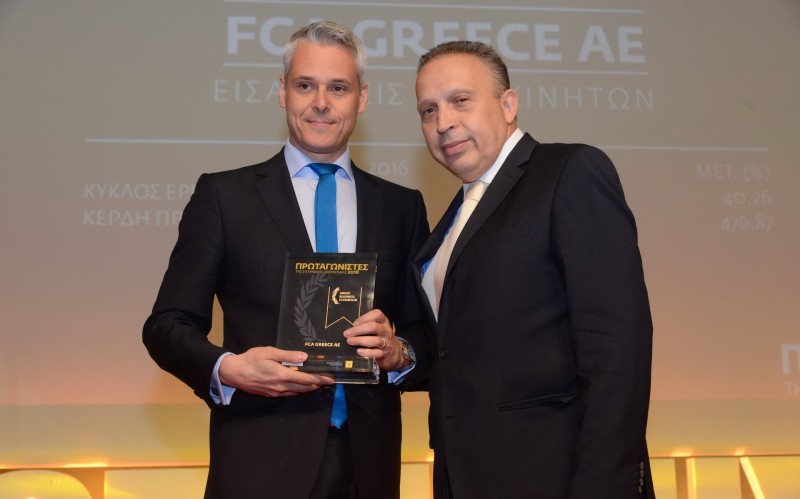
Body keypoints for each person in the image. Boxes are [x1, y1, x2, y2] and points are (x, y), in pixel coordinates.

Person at [143, 21, 428, 499]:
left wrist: (400, 352)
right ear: (282, 92)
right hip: (259, 464)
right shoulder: (225, 197)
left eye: (338, 88)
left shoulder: (402, 207)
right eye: (305, 85)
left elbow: (426, 334)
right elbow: (166, 326)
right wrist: (228, 369)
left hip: (369, 467)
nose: (321, 102)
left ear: (362, 98)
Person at [412, 40, 655, 498]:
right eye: (428, 110)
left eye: (460, 100)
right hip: (466, 478)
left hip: (558, 477)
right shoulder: (455, 217)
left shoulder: (568, 172)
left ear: (508, 105)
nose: (443, 123)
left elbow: (616, 346)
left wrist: (604, 486)